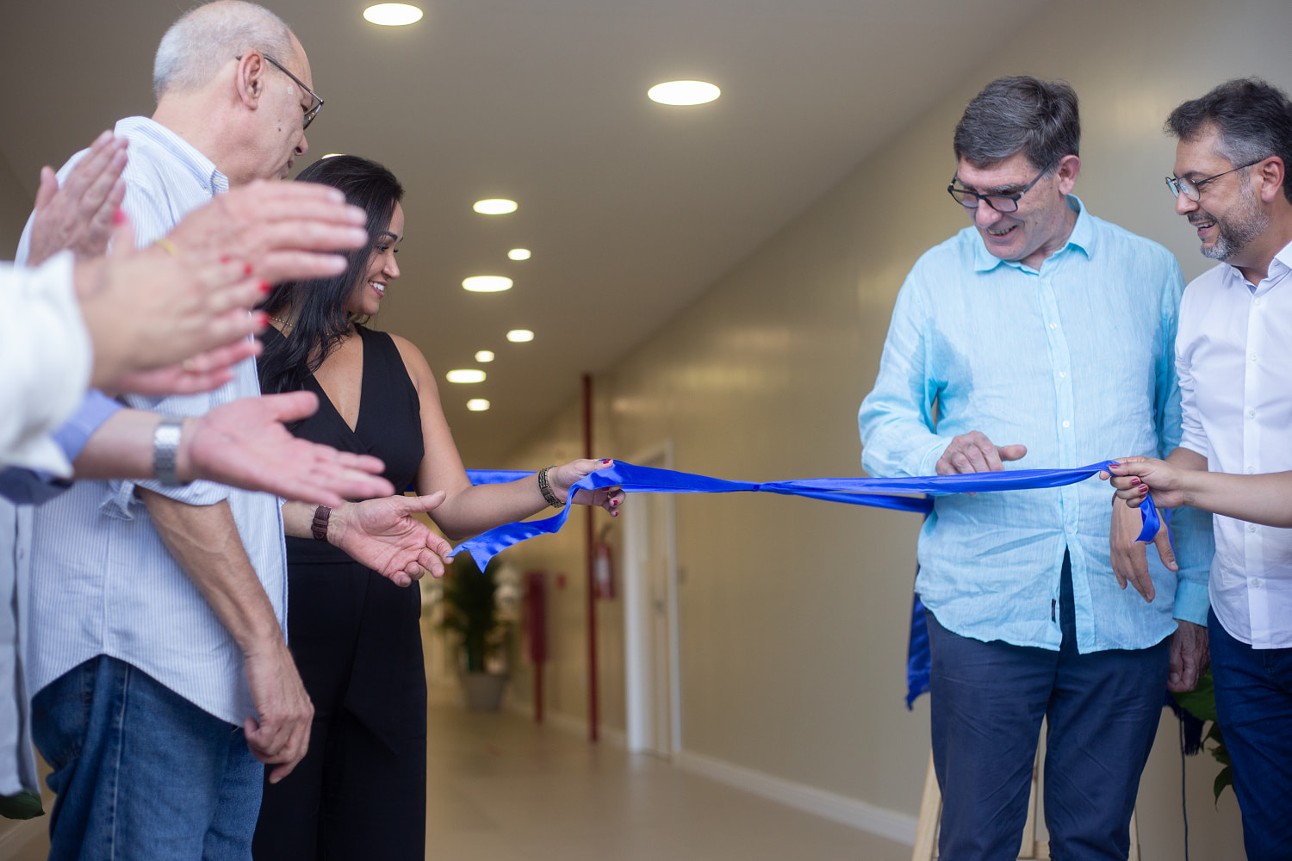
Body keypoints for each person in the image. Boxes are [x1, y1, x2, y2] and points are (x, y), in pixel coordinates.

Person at [9, 3, 336, 856]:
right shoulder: (128, 182)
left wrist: (336, 518)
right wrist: (269, 647)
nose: (301, 142)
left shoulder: (196, 209)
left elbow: (191, 450)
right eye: (305, 109)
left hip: (193, 673)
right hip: (143, 661)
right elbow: (155, 457)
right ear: (252, 74)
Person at [857, 76, 1211, 860]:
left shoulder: (1148, 273)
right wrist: (936, 451)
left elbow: (1183, 441)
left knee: (1094, 840)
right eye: (969, 193)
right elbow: (882, 424)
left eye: (1007, 194)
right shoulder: (933, 280)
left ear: (1067, 173)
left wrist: (1191, 600)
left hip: (1126, 610)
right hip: (982, 611)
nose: (985, 216)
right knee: (977, 840)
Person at [251, 154, 623, 860]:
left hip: (386, 646)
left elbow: (451, 506)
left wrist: (554, 482)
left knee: (382, 839)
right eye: (383, 247)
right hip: (278, 638)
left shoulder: (405, 360)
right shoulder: (242, 350)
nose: (394, 268)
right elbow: (218, 494)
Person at [1108, 78, 1292, 860]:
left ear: (1268, 175)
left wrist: (1187, 483)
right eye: (1178, 184)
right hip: (1244, 632)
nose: (1184, 202)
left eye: (1199, 182)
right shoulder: (1200, 303)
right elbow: (1200, 446)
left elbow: (1202, 479)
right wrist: (1147, 482)